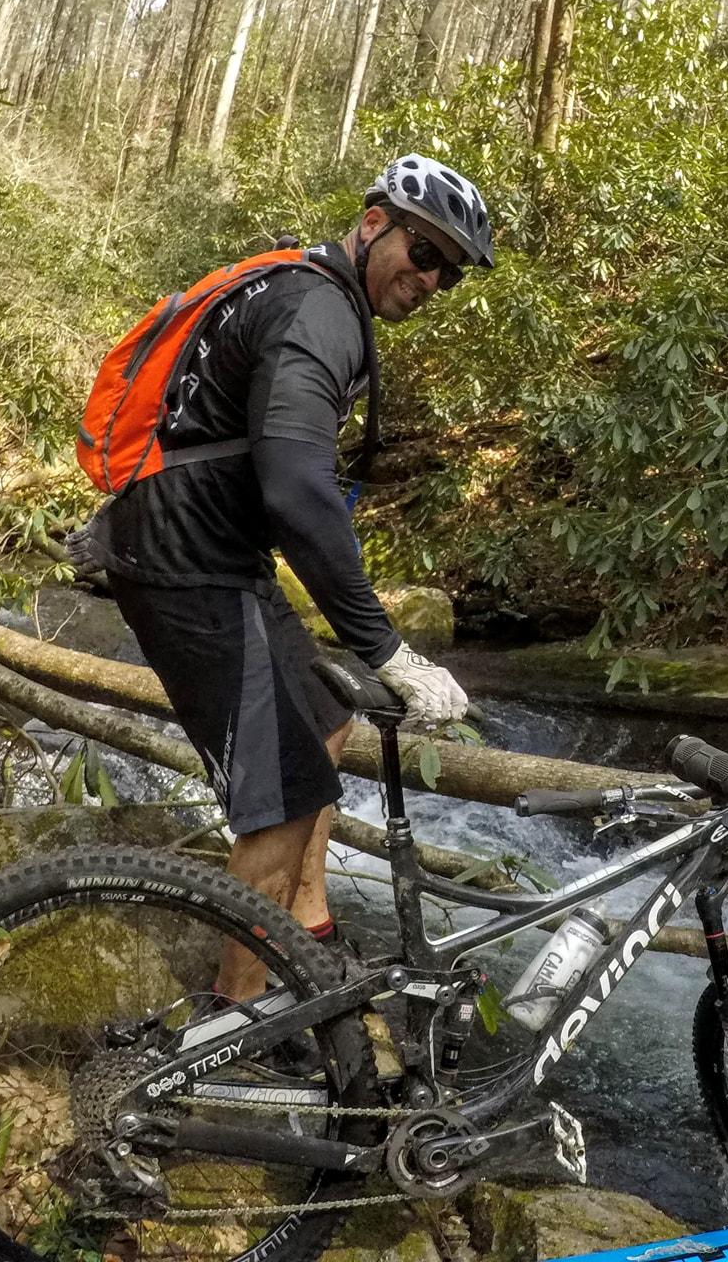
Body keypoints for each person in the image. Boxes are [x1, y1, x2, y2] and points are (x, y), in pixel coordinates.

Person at [89, 155, 490, 1003]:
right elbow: (299, 490)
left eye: (448, 274)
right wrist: (388, 647)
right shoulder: (318, 311)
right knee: (279, 801)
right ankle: (236, 1027)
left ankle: (306, 927)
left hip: (204, 546)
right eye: (425, 253)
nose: (431, 280)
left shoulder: (306, 291)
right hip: (186, 560)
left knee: (325, 713)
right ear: (374, 222)